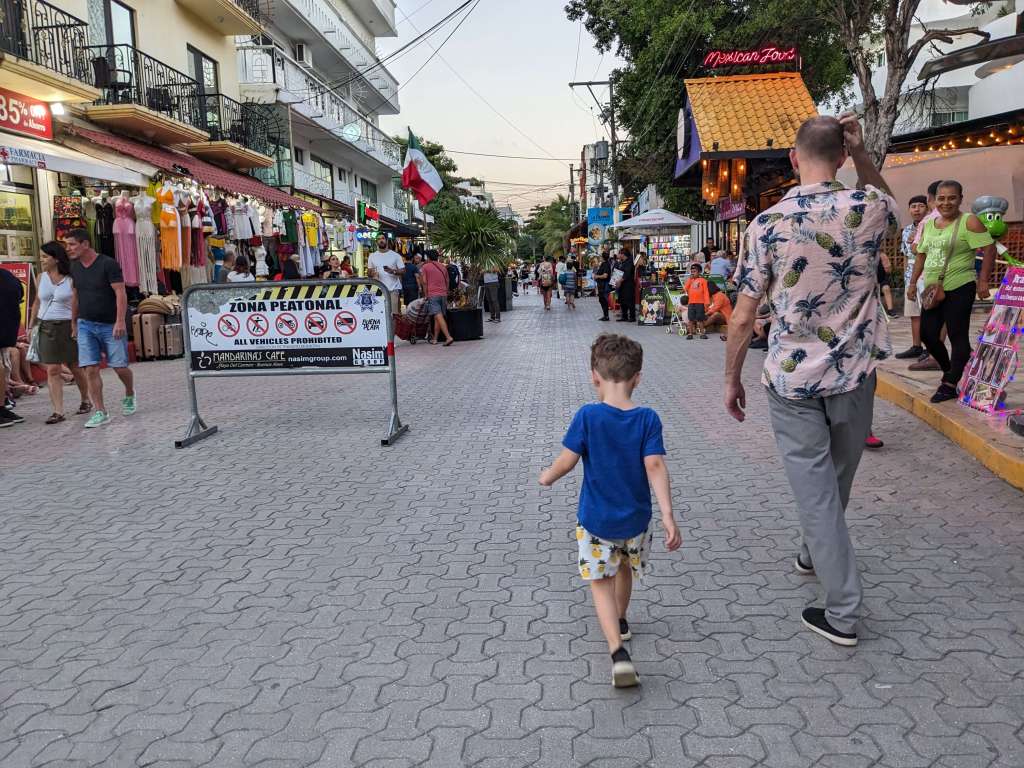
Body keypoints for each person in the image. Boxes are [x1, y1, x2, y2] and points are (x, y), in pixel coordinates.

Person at [724, 113, 896, 647]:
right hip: (855, 374)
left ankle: (843, 612)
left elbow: (742, 315)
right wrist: (864, 154)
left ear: (794, 159)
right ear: (842, 157)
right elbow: (889, 204)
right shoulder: (868, 207)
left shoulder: (766, 225)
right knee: (836, 478)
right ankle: (811, 550)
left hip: (792, 381)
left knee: (817, 489)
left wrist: (732, 378)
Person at [539, 334, 681, 687]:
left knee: (599, 580)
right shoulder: (648, 419)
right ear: (637, 377)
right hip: (636, 520)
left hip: (595, 520)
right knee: (624, 568)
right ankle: (620, 620)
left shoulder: (587, 416)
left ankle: (617, 651)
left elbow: (567, 460)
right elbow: (656, 466)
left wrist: (547, 477)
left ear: (594, 376)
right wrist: (667, 514)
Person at [908, 179, 996, 403]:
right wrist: (912, 282)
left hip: (960, 286)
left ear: (960, 199)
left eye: (951, 198)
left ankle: (949, 384)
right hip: (933, 290)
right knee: (928, 334)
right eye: (941, 198)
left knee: (957, 335)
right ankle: (951, 369)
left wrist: (983, 280)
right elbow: (921, 255)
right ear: (935, 200)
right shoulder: (929, 224)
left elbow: (989, 248)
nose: (946, 203)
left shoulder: (969, 221)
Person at [66, 228, 136, 428]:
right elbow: (76, 296)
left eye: (72, 244)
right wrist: (73, 322)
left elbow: (120, 293)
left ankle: (130, 393)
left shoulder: (108, 264)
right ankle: (100, 411)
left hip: (110, 323)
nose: (68, 249)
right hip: (85, 324)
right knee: (90, 368)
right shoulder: (75, 267)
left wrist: (120, 320)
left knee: (120, 367)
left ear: (85, 244)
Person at [28, 242, 89, 424]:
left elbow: (78, 303)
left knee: (74, 365)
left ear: (56, 258)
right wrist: (31, 325)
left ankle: (86, 399)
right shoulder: (41, 278)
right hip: (46, 326)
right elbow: (37, 303)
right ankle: (58, 411)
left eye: (45, 256)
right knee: (53, 369)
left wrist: (76, 324)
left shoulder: (71, 278)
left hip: (67, 325)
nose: (42, 260)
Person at [894, 195, 930, 360]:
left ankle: (931, 349)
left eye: (920, 206)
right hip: (911, 277)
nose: (917, 209)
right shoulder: (907, 230)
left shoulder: (932, 226)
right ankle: (916, 346)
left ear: (927, 207)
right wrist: (906, 277)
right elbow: (905, 255)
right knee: (914, 313)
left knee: (929, 314)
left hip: (927, 275)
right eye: (913, 206)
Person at [0, 266, 26, 426]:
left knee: (2, 369)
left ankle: (2, 407)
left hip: (5, 334)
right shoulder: (7, 277)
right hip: (5, 334)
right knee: (2, 369)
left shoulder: (6, 277)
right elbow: (20, 295)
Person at [418, 251, 454, 346]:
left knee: (438, 315)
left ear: (428, 258)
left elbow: (424, 282)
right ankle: (435, 338)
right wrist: (445, 292)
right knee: (437, 316)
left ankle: (448, 337)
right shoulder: (443, 267)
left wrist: (426, 294)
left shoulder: (425, 267)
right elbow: (447, 281)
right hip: (443, 294)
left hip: (433, 294)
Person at [368, 235, 405, 313]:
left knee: (393, 314)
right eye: (378, 239)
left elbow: (403, 271)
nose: (381, 240)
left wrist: (393, 271)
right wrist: (372, 273)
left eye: (383, 238)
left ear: (387, 240)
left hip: (392, 289)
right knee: (380, 315)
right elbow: (369, 272)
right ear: (376, 242)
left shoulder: (395, 255)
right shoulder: (372, 256)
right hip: (378, 291)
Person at [683, 263, 710, 340]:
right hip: (691, 302)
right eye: (692, 271)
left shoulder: (703, 281)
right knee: (690, 319)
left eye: (694, 271)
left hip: (700, 302)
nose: (692, 273)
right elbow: (686, 288)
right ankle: (690, 334)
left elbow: (706, 292)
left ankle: (702, 333)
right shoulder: (690, 280)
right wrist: (690, 279)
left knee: (700, 319)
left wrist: (707, 302)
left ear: (699, 272)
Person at [616, 250, 636, 323]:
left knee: (629, 300)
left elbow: (626, 274)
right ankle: (624, 316)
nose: (618, 255)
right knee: (622, 301)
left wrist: (619, 281)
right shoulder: (622, 262)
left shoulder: (629, 262)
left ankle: (632, 317)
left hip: (628, 285)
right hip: (622, 285)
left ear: (623, 254)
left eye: (620, 254)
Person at [594, 249, 611, 321]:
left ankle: (606, 316)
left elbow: (605, 275)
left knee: (604, 300)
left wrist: (597, 276)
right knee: (601, 300)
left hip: (604, 285)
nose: (600, 258)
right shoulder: (603, 264)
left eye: (601, 256)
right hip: (601, 285)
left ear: (603, 257)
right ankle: (605, 315)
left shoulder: (606, 264)